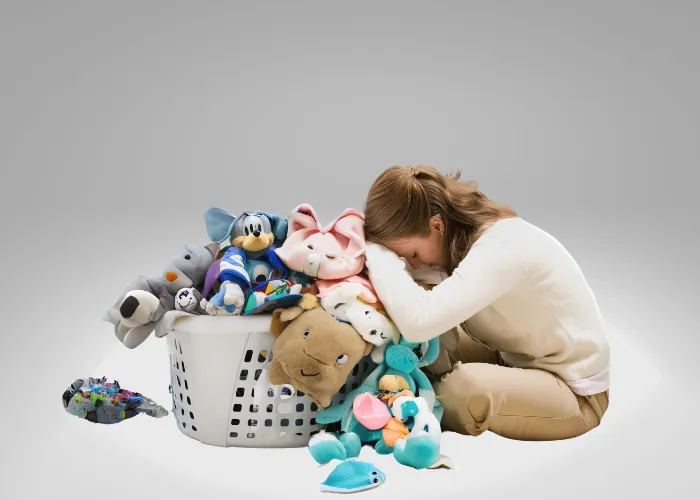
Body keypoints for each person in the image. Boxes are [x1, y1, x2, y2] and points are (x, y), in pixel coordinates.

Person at [361, 165, 610, 441]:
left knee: (460, 389)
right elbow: (407, 291)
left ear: (436, 226)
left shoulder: (501, 246)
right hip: (513, 357)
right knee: (411, 350)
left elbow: (419, 323)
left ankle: (393, 409)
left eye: (414, 253)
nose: (414, 264)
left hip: (574, 393)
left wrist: (375, 252)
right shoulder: (455, 241)